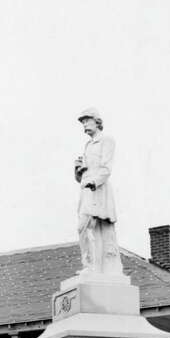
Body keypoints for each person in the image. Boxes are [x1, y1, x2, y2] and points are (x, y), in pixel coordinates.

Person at [74, 108, 121, 275]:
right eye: (82, 122)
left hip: (99, 191)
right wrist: (78, 171)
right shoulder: (87, 145)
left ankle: (95, 267)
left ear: (97, 121)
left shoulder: (107, 140)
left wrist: (94, 182)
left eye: (87, 120)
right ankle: (90, 265)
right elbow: (82, 177)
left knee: (91, 227)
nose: (84, 125)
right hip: (87, 192)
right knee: (84, 228)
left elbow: (106, 168)